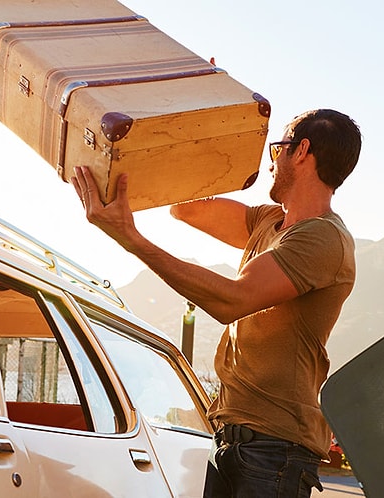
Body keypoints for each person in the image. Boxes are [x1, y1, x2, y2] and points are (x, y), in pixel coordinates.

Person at [71, 108, 362, 498]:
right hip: (231, 435)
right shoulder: (268, 222)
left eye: (278, 149)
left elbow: (232, 300)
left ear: (302, 151)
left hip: (275, 448)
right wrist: (201, 121)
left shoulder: (324, 239)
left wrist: (132, 240)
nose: (271, 163)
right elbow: (185, 206)